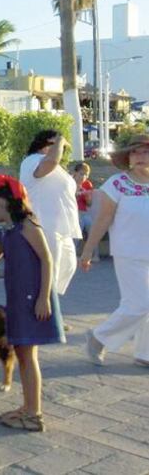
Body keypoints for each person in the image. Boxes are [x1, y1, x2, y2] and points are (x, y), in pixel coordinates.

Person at [0, 175, 63, 433]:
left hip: (32, 299)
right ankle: (28, 407)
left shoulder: (28, 225)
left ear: (1, 202)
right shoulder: (7, 231)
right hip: (17, 300)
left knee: (28, 356)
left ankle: (34, 413)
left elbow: (47, 261)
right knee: (23, 355)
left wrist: (43, 298)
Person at [80, 133, 149, 368]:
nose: (140, 156)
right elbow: (102, 220)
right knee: (140, 303)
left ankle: (145, 353)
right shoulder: (117, 184)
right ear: (128, 157)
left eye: (145, 151)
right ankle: (99, 338)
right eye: (135, 151)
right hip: (129, 253)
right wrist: (88, 251)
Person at [19, 130, 82, 295]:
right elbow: (50, 163)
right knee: (49, 275)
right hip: (46, 226)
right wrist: (61, 140)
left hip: (62, 228)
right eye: (56, 144)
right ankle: (46, 315)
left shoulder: (54, 166)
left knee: (67, 268)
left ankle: (51, 309)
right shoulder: (33, 160)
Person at [71, 161, 95, 236]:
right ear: (75, 172)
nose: (83, 177)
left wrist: (87, 197)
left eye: (86, 175)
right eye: (81, 174)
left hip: (83, 212)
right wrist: (76, 194)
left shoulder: (87, 184)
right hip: (71, 211)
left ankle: (93, 247)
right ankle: (75, 247)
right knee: (79, 223)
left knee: (90, 224)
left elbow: (89, 204)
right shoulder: (69, 182)